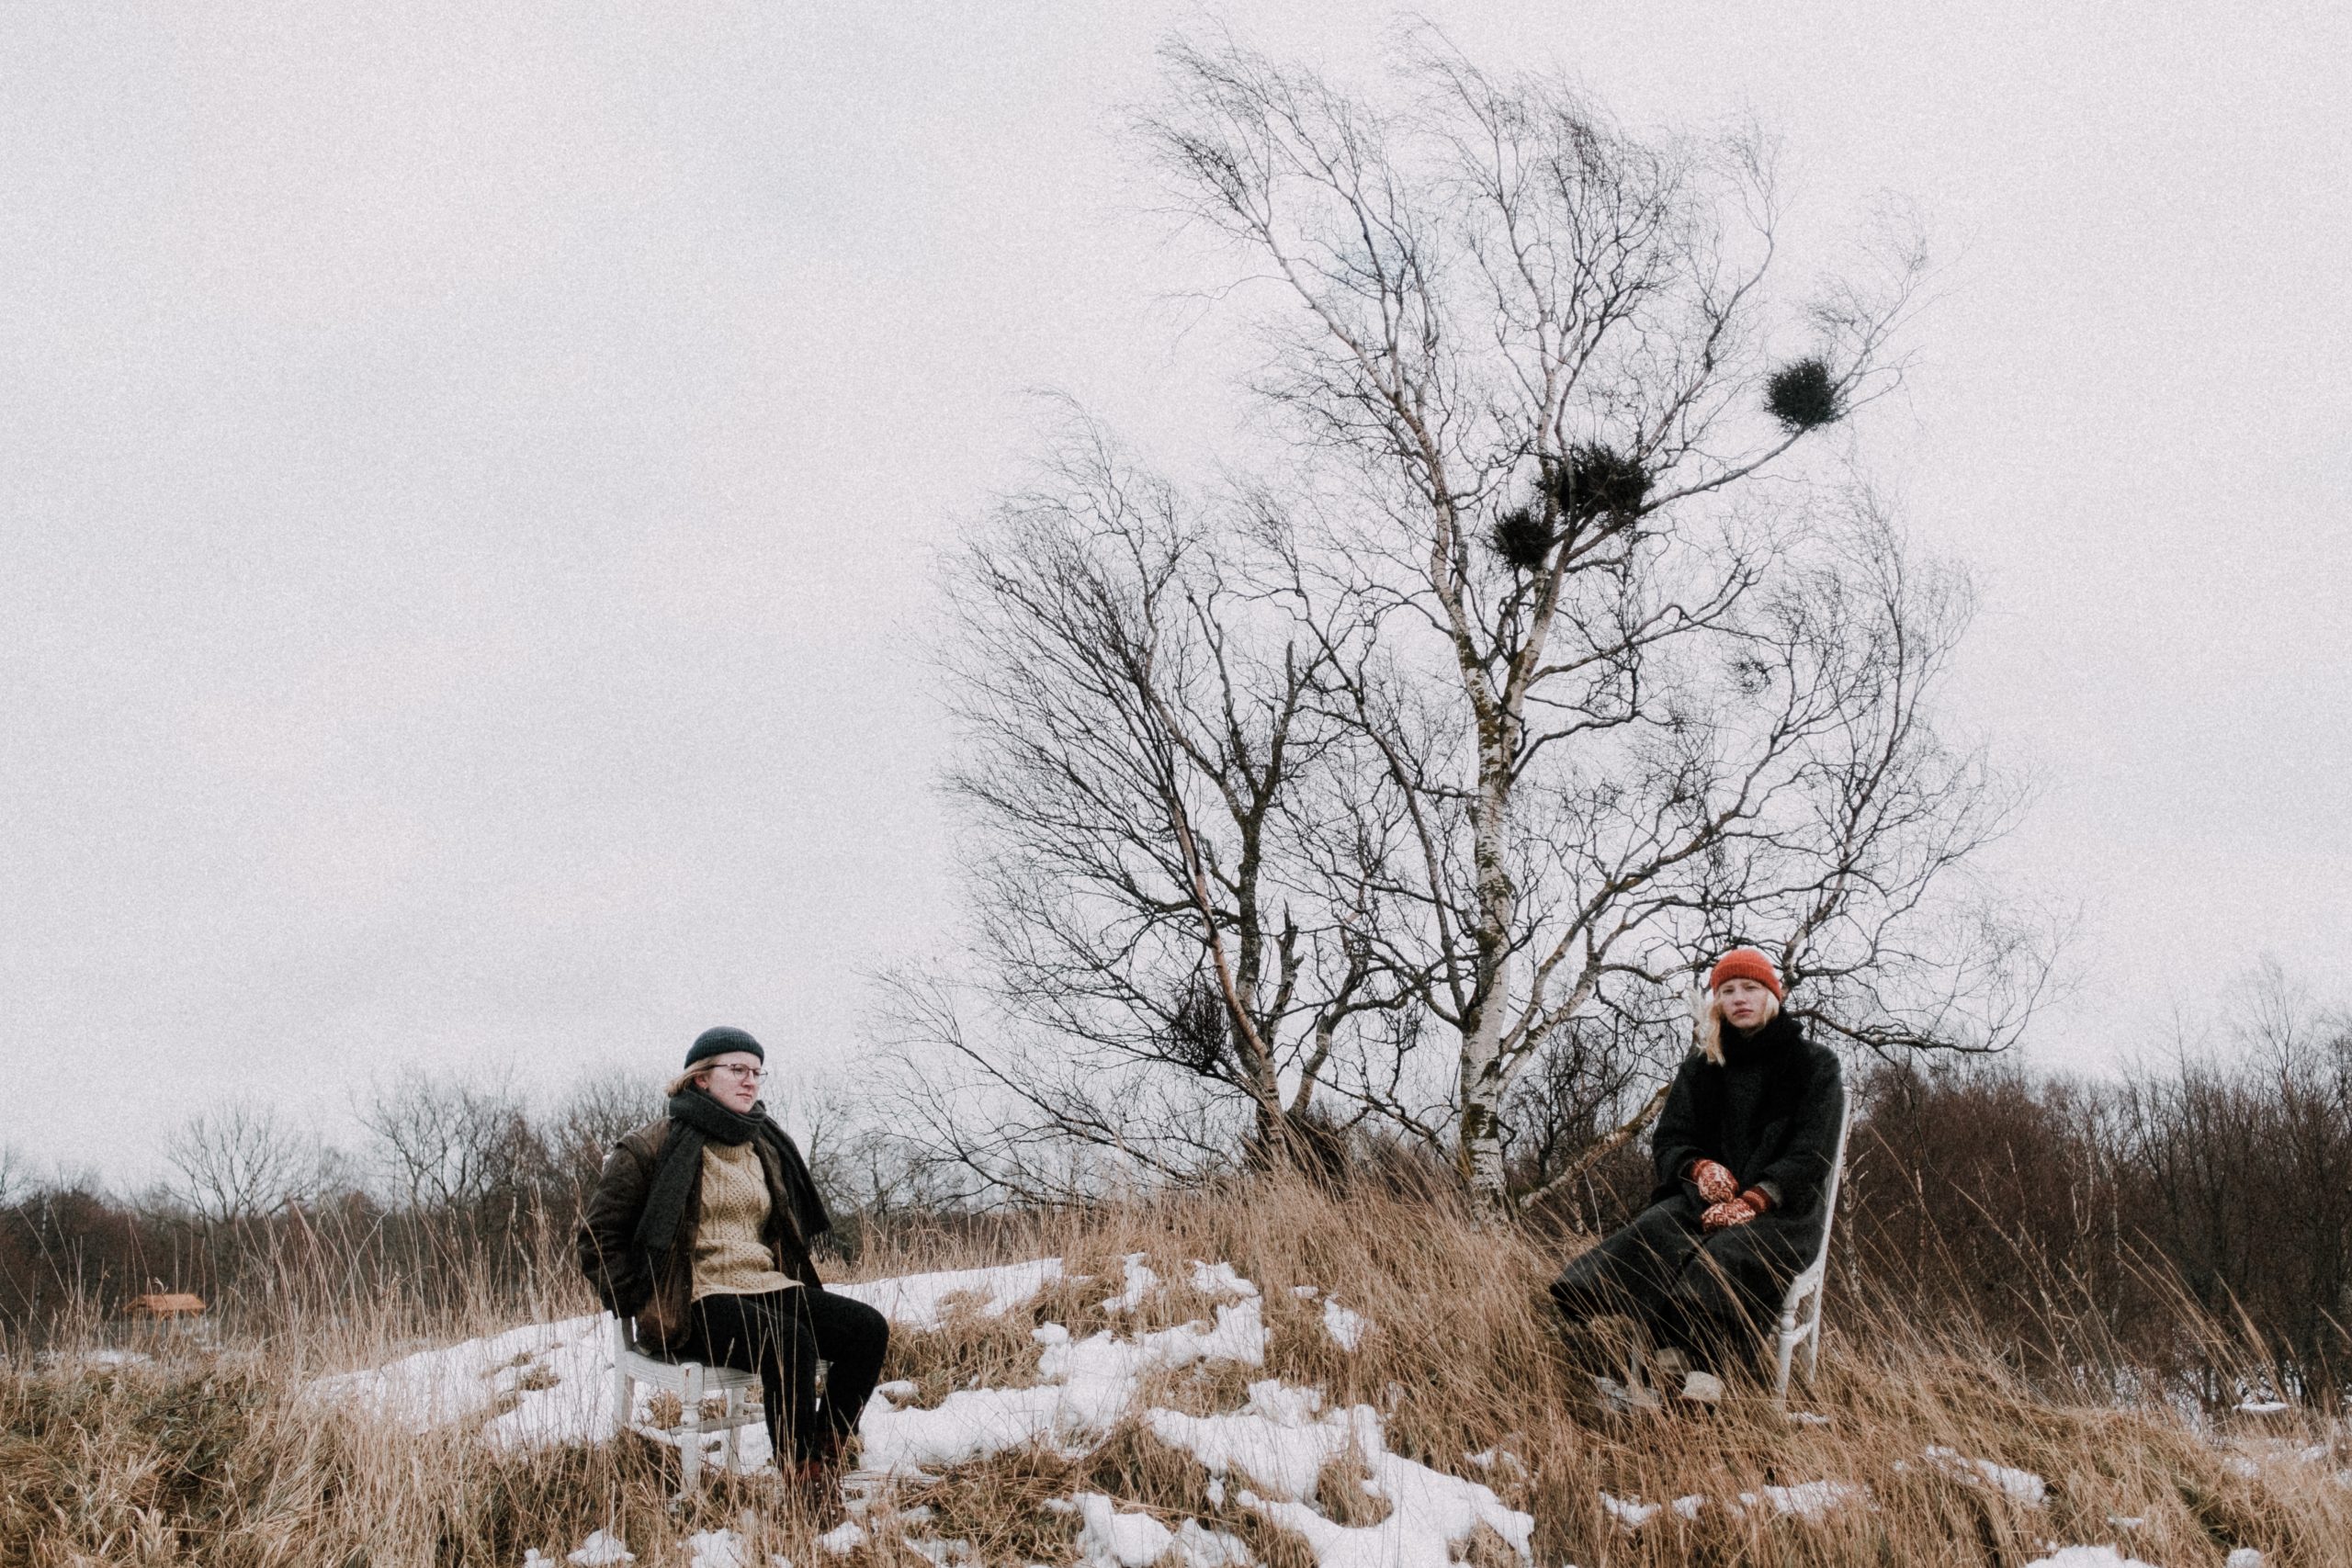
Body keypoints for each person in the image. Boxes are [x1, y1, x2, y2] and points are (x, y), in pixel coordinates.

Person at [577, 1026, 888, 1513]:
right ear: (700, 1079)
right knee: (788, 1343)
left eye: (756, 1072)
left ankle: (822, 1459)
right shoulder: (649, 1148)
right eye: (736, 1069)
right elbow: (598, 1239)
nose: (750, 1081)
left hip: (762, 1283)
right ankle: (804, 1486)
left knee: (866, 1329)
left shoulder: (764, 1145)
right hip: (693, 1298)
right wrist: (642, 1300)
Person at [1548, 948, 1844, 1403]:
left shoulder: (1814, 1065)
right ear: (1716, 1002)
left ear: (1772, 995)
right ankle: (1618, 1330)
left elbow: (1811, 1152)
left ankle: (1706, 1370)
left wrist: (1754, 1200)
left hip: (1780, 1211)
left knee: (1726, 1253)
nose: (1739, 998)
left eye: (1750, 988)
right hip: (1702, 1201)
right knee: (1656, 1230)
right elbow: (1671, 1138)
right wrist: (1699, 1169)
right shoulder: (1702, 1065)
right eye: (1727, 990)